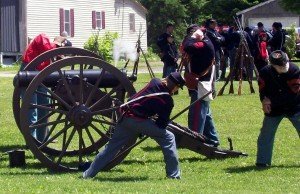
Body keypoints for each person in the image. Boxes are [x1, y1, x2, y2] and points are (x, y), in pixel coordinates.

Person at [83, 72, 186, 179]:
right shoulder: (168, 100)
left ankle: (87, 175)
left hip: (124, 116)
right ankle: (174, 175)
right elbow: (161, 124)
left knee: (110, 148)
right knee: (169, 137)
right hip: (137, 120)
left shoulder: (154, 81)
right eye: (178, 87)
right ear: (175, 87)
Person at [256, 50, 300, 167]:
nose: (284, 66)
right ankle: (262, 162)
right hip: (274, 110)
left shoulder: (294, 70)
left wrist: (271, 101)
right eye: (280, 65)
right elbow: (262, 90)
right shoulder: (264, 72)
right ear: (272, 65)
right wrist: (264, 101)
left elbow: (293, 94)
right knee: (265, 135)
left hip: (295, 107)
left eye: (285, 63)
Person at [21, 33, 66, 142]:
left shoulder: (51, 55)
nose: (59, 50)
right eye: (59, 47)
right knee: (31, 109)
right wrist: (58, 49)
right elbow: (48, 49)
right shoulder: (42, 38)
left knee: (44, 108)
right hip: (29, 74)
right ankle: (32, 140)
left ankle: (43, 138)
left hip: (40, 77)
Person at [183, 28, 220, 147]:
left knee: (197, 113)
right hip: (199, 82)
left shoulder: (204, 44)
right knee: (205, 113)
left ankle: (195, 139)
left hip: (201, 84)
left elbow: (187, 47)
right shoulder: (203, 42)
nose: (191, 37)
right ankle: (212, 139)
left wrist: (193, 37)